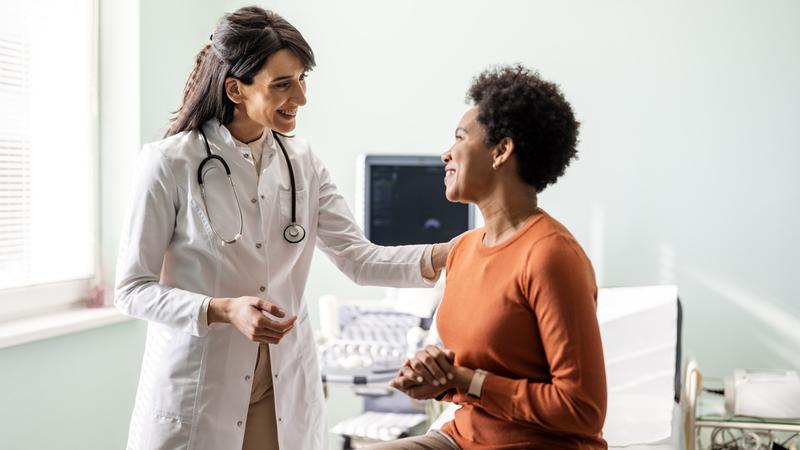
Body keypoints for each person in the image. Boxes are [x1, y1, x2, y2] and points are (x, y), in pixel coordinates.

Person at [114, 7, 454, 450]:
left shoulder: (303, 163)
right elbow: (132, 289)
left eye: (301, 79)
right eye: (282, 84)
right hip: (201, 385)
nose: (302, 97)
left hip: (282, 383)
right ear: (236, 89)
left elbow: (359, 258)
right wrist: (223, 309)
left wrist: (461, 251)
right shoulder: (169, 163)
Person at [372, 65, 608, 449]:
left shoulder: (550, 256)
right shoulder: (463, 249)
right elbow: (472, 372)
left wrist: (464, 381)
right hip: (462, 438)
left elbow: (582, 409)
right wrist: (437, 376)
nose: (445, 153)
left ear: (501, 151)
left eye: (460, 138)